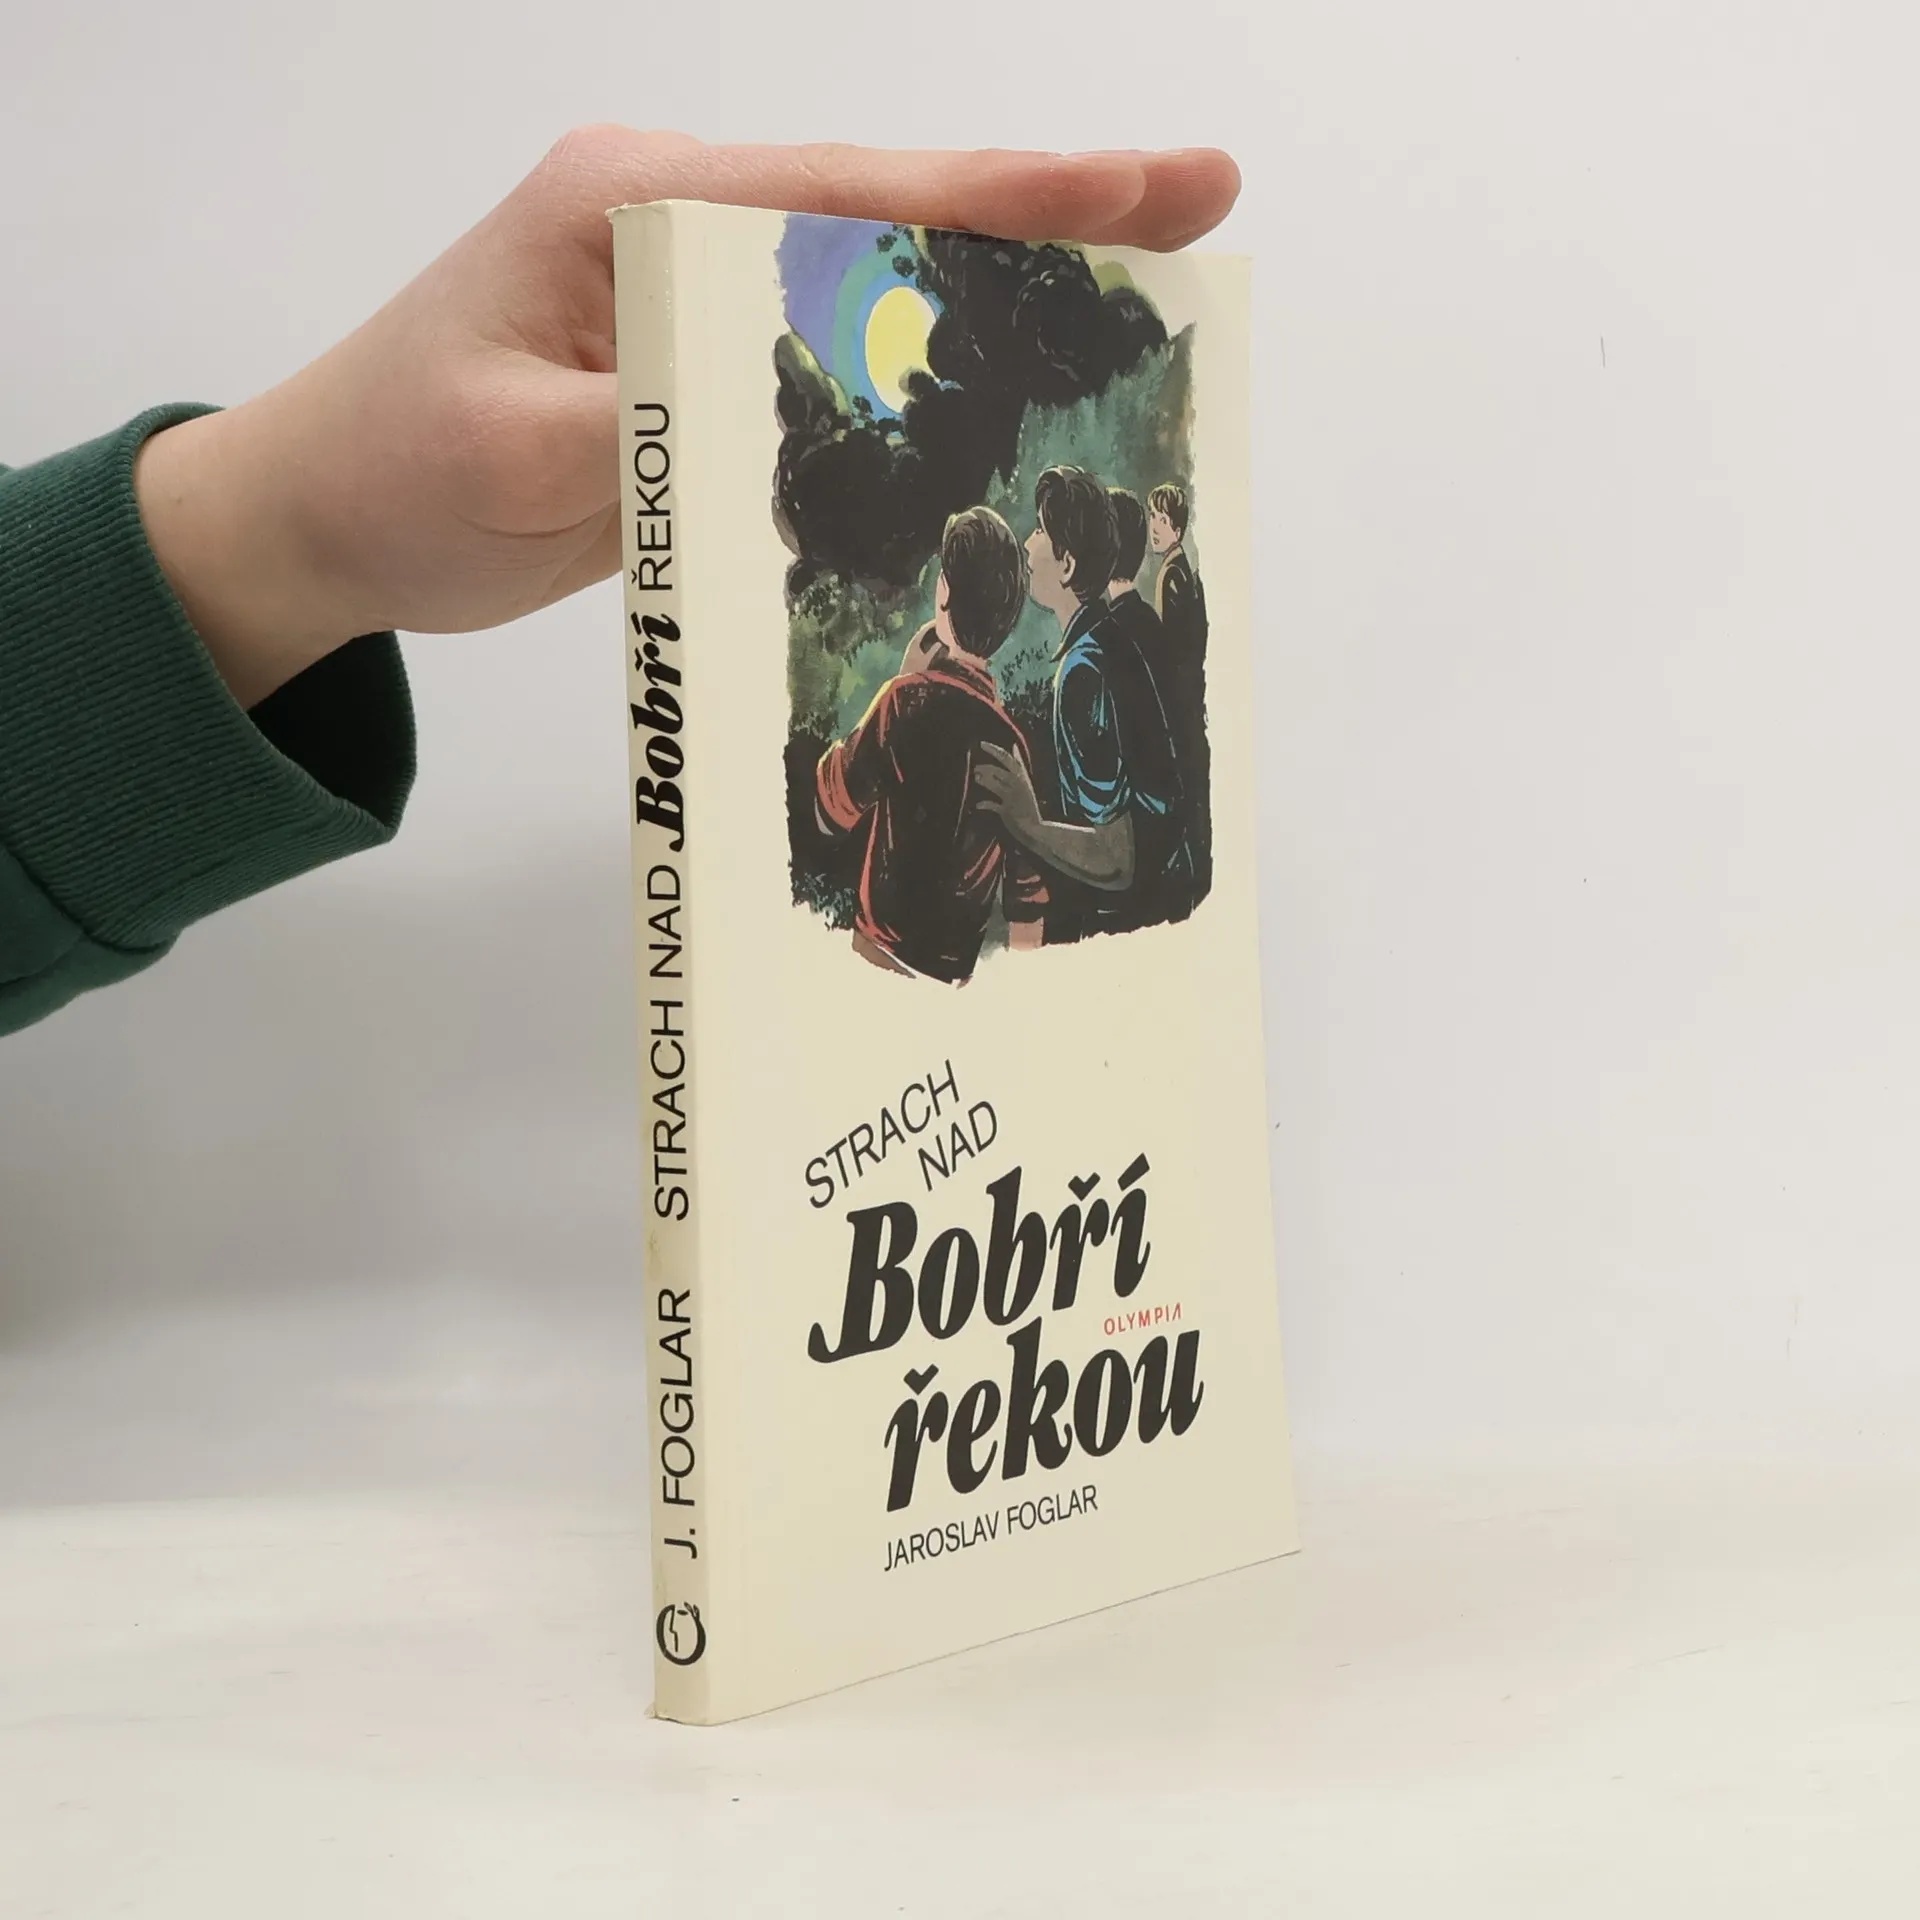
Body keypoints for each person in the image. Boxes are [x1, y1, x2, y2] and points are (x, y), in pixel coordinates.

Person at [0, 128, 1241, 1037]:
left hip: (879, 968)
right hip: (964, 988)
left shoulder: (913, 706)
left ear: (952, 599)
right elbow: (1032, 879)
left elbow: (835, 800)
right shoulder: (1014, 727)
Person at [814, 507, 1046, 984]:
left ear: (943, 594)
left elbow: (831, 807)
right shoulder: (1013, 746)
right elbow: (1028, 904)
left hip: (875, 960)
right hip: (953, 984)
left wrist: (901, 678)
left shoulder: (903, 702)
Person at [976, 465, 1193, 940]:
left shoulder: (1083, 672)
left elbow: (1118, 859)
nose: (1028, 544)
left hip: (1138, 920)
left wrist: (1028, 824)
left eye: (1040, 530)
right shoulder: (1105, 641)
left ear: (1068, 565)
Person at [1146, 480, 1212, 897]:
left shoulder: (1173, 575)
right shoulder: (1181, 570)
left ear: (1177, 527)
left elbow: (1174, 653)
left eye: (1162, 519)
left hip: (1180, 706)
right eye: (1152, 517)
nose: (1154, 526)